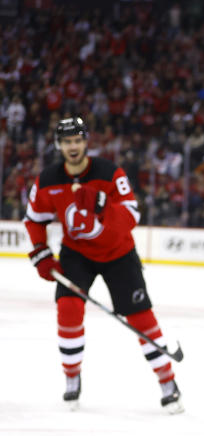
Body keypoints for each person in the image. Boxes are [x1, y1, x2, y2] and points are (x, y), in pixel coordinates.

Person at [24, 116, 183, 413]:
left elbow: (132, 216)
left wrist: (103, 206)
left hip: (118, 254)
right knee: (68, 309)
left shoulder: (109, 173)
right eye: (67, 141)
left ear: (86, 142)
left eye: (77, 140)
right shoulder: (47, 180)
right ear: (59, 145)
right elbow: (35, 220)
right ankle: (72, 378)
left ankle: (167, 380)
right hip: (76, 254)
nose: (73, 147)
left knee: (141, 318)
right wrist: (41, 253)